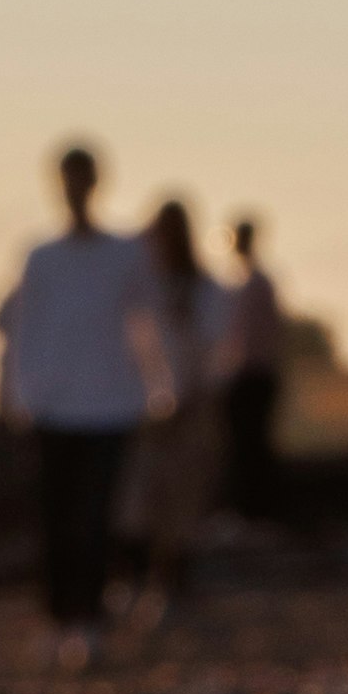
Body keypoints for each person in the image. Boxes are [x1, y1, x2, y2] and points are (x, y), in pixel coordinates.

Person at [0, 141, 171, 651]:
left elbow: (149, 325)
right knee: (55, 516)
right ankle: (59, 616)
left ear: (94, 183)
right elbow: (25, 331)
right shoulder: (41, 258)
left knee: (96, 514)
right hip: (53, 408)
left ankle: (86, 619)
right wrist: (17, 395)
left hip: (112, 405)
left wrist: (163, 389)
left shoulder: (126, 254)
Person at [123, 194, 227, 611]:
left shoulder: (203, 290)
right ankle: (139, 579)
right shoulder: (143, 291)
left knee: (181, 501)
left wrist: (193, 395)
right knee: (140, 500)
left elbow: (214, 351)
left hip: (192, 407)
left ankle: (172, 583)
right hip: (146, 411)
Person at [215, 213, 286, 522]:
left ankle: (259, 511)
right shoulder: (240, 283)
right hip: (242, 376)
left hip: (255, 375)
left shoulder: (258, 283)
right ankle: (251, 509)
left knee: (252, 445)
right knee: (241, 446)